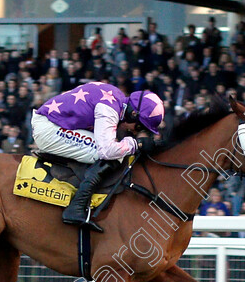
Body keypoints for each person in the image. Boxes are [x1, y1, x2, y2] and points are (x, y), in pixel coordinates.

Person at [31, 83, 165, 231]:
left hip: (56, 122)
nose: (135, 131)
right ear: (133, 114)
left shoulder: (117, 97)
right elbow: (107, 151)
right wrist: (136, 144)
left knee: (117, 149)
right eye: (139, 127)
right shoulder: (109, 110)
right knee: (114, 156)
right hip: (48, 130)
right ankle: (76, 208)